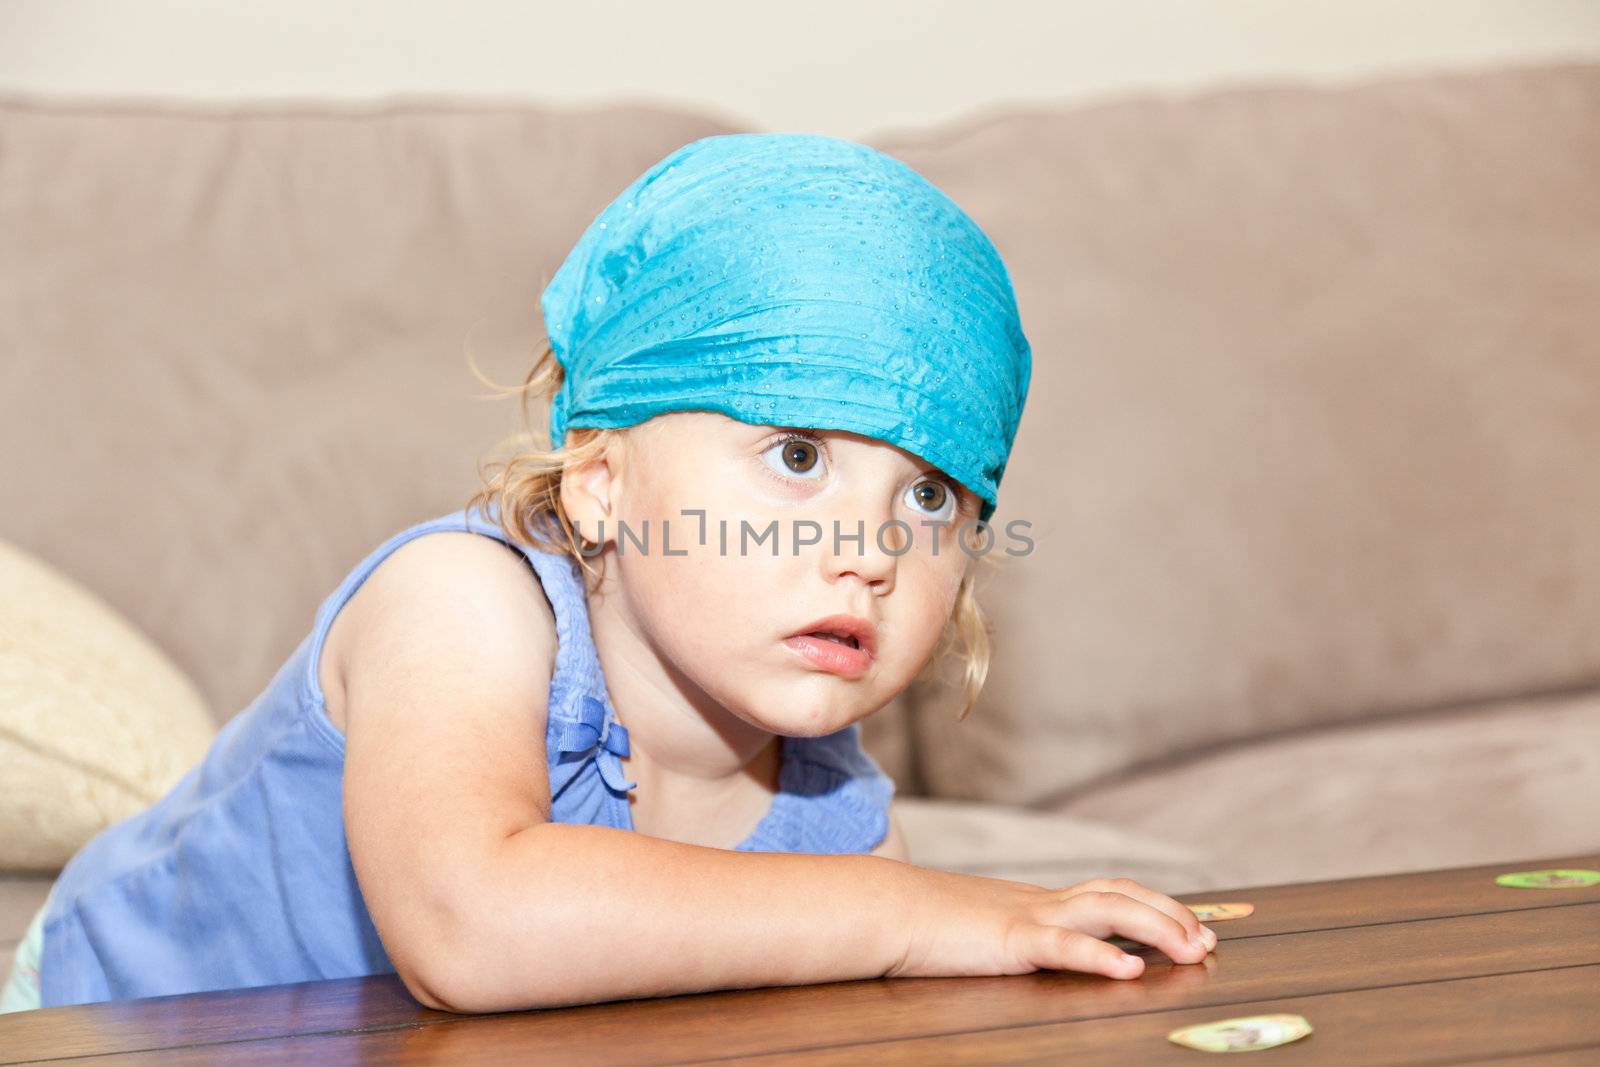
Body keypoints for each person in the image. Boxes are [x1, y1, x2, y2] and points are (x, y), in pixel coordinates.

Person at [0, 132, 1215, 1015]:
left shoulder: (825, 808)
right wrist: (918, 916)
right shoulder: (460, 605)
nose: (872, 547)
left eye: (930, 494)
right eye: (796, 454)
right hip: (107, 1023)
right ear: (600, 482)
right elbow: (469, 926)